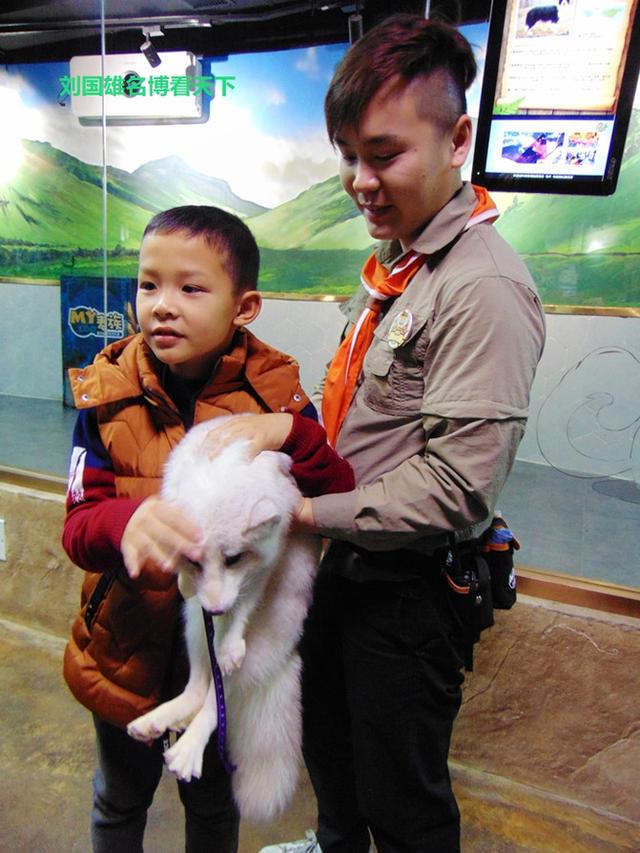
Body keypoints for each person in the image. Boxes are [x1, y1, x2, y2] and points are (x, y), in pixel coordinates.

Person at [212, 14, 546, 853]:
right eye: (348, 155)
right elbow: (364, 419)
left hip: (411, 595)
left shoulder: (483, 288)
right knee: (339, 770)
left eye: (384, 154)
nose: (360, 180)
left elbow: (455, 486)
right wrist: (287, 440)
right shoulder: (397, 268)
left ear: (458, 138)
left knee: (404, 805)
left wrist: (300, 517)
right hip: (350, 572)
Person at [61, 205, 354, 853]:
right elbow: (78, 527)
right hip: (125, 648)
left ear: (243, 305)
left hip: (228, 655)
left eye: (191, 288)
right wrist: (124, 520)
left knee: (214, 805)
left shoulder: (275, 397)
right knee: (118, 796)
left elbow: (336, 487)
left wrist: (291, 432)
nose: (163, 305)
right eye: (148, 284)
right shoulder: (105, 396)